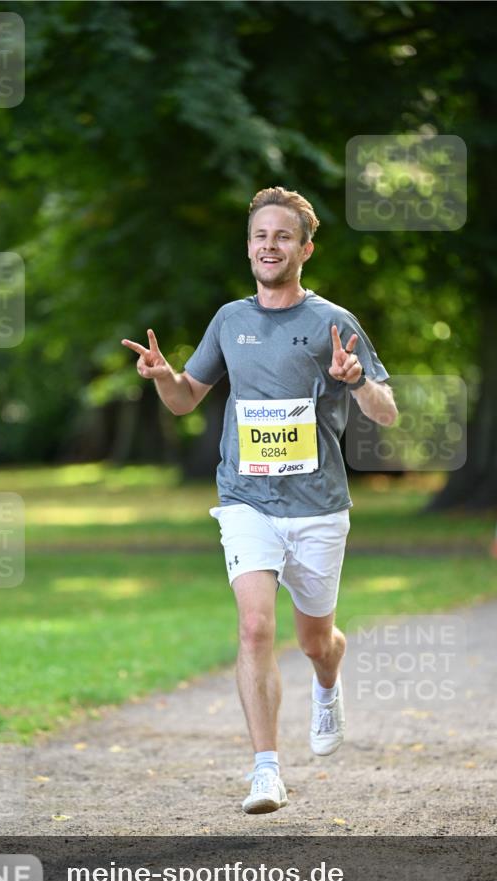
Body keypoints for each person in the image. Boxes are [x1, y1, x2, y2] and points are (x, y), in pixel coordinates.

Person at [123, 186, 397, 815]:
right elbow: (188, 397)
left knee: (314, 641)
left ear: (305, 246)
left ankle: (328, 681)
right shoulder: (230, 320)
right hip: (247, 500)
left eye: (282, 236)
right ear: (249, 247)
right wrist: (165, 377)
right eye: (259, 236)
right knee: (253, 626)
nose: (268, 246)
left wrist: (356, 383)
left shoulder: (334, 323)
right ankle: (266, 770)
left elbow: (385, 409)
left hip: (319, 505)